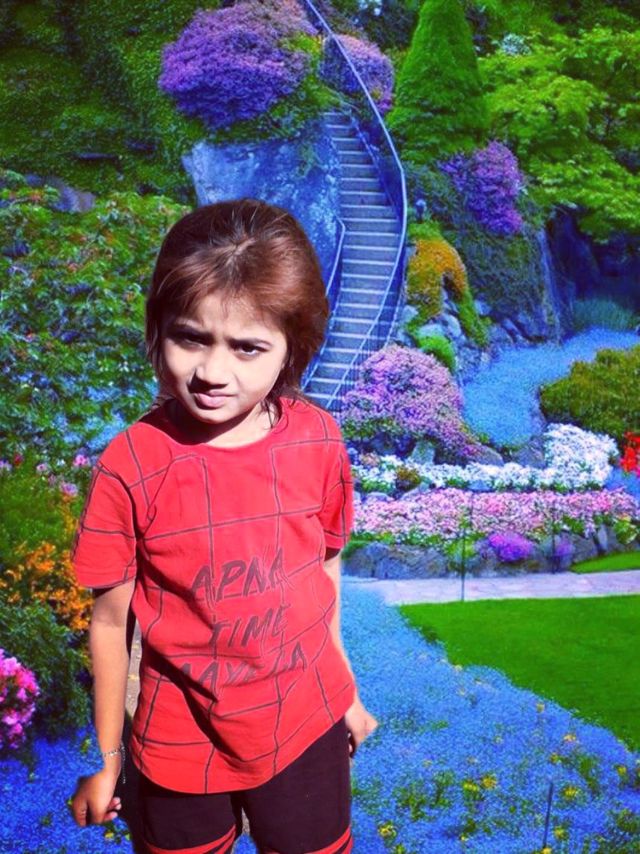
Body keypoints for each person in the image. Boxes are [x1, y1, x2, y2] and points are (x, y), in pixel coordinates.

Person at [69, 198, 378, 854]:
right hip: (178, 749)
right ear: (159, 328)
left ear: (293, 347)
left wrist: (345, 692)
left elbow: (322, 570)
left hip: (306, 727)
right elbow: (109, 624)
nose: (212, 372)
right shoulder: (131, 464)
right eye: (191, 337)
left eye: (247, 348)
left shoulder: (319, 440)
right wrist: (108, 759)